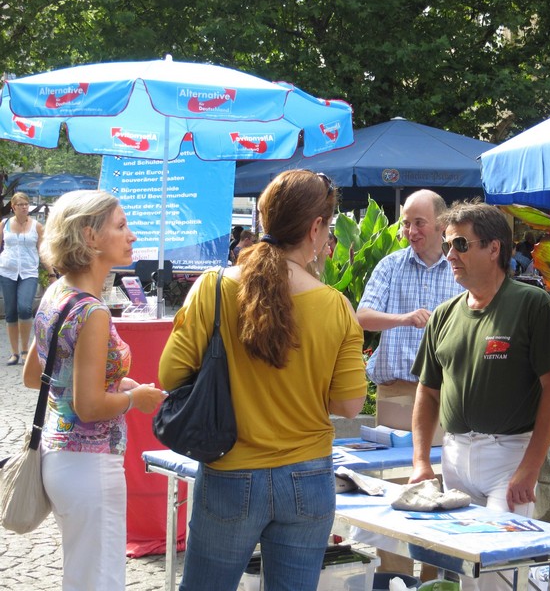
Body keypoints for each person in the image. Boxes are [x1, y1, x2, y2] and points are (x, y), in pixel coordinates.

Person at [159, 170, 366, 591]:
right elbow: (349, 405)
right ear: (315, 229)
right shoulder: (337, 306)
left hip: (230, 469)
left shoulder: (213, 288)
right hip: (308, 477)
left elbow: (169, 375)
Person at [409, 201, 550, 591]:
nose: (450, 254)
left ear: (494, 248)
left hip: (507, 459)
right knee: (460, 573)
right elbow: (427, 392)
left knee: (496, 574)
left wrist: (530, 468)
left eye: (461, 244)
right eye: (448, 245)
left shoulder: (530, 303)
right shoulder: (445, 314)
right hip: (454, 459)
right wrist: (420, 462)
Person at [21, 190, 165, 591]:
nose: (131, 235)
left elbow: (37, 376)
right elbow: (88, 407)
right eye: (120, 226)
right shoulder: (93, 311)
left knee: (85, 577)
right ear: (90, 237)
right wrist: (135, 398)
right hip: (89, 463)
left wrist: (111, 382)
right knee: (100, 580)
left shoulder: (57, 293)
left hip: (60, 458)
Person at [356, 188, 462, 578]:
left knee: (436, 489)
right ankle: (394, 578)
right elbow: (361, 316)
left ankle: (434, 582)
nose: (410, 230)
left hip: (444, 395)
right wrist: (402, 319)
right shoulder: (391, 265)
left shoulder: (459, 269)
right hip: (396, 393)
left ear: (440, 226)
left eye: (418, 223)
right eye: (405, 222)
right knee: (395, 493)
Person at [0, 192, 55, 365]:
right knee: (10, 312)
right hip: (7, 271)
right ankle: (14, 352)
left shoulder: (37, 226)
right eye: (21, 204)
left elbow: (43, 251)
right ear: (13, 207)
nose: (25, 207)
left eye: (27, 204)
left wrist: (52, 273)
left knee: (24, 308)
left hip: (28, 272)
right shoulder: (4, 224)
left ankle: (25, 350)